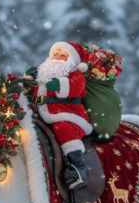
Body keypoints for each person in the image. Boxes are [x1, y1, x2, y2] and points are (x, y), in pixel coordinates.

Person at [25, 41, 91, 190]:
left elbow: (77, 87)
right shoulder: (44, 74)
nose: (57, 57)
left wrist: (61, 85)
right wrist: (29, 81)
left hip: (68, 115)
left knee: (64, 130)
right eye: (55, 54)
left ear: (71, 60)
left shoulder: (75, 74)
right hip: (42, 113)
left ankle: (78, 169)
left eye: (63, 55)